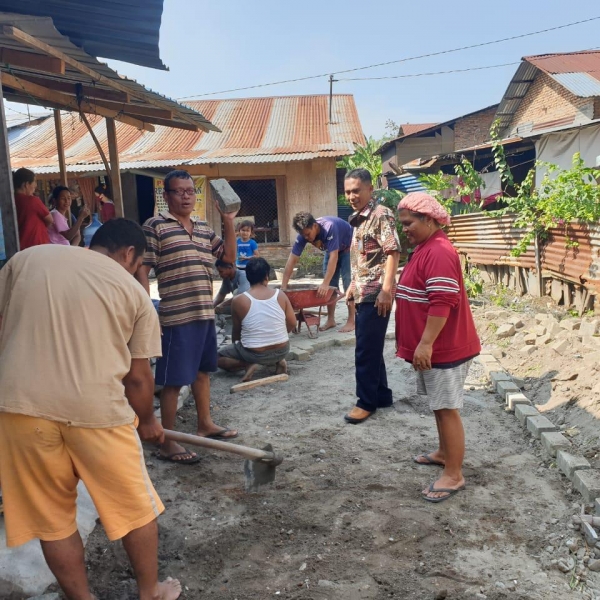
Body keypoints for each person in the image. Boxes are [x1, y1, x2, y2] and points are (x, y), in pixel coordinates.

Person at [0, 219, 182, 600]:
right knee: (133, 506)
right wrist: (149, 422)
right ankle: (151, 592)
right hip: (97, 412)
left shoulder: (26, 260)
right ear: (129, 254)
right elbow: (137, 379)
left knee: (52, 519)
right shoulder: (133, 294)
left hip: (20, 409)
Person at [136, 169, 239, 465]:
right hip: (176, 316)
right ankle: (167, 442)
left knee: (202, 372)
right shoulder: (155, 225)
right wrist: (146, 310)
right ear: (166, 196)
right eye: (178, 191)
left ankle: (204, 424)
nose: (185, 196)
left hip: (204, 312)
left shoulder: (204, 228)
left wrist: (229, 223)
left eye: (189, 191)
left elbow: (228, 260)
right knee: (173, 380)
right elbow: (143, 267)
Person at [395, 192, 481, 503]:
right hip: (435, 347)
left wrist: (426, 343)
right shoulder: (425, 247)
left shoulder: (440, 252)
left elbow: (443, 301)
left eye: (409, 223)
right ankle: (445, 453)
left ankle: (454, 474)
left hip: (444, 348)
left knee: (447, 410)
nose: (405, 229)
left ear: (428, 220)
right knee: (438, 405)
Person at [343, 168, 401, 424]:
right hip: (363, 291)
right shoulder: (358, 219)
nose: (351, 196)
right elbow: (362, 259)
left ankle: (365, 402)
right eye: (347, 192)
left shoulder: (380, 215)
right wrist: (352, 286)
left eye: (356, 190)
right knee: (372, 346)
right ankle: (381, 395)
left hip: (376, 293)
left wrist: (387, 290)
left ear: (369, 190)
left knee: (365, 350)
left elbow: (392, 252)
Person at [218, 257, 296, 382]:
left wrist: (237, 347)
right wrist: (276, 335)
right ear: (267, 276)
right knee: (272, 349)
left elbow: (237, 331)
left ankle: (248, 364)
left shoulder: (239, 300)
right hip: (282, 350)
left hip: (254, 354)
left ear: (248, 277)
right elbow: (292, 323)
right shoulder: (280, 295)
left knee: (217, 357)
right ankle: (277, 361)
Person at [281, 212, 355, 333]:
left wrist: (325, 283)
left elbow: (334, 257)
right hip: (332, 250)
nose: (306, 238)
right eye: (303, 235)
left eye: (308, 234)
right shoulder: (303, 235)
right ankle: (331, 320)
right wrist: (283, 287)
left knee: (348, 283)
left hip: (348, 247)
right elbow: (292, 259)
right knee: (331, 285)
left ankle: (352, 320)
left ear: (315, 226)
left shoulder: (329, 227)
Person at [13, 167, 52, 249]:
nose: (35, 185)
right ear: (26, 185)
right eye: (34, 182)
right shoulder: (33, 200)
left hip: (19, 247)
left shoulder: (11, 201)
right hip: (37, 245)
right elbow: (50, 220)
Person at [236, 220, 259, 291]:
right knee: (239, 286)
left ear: (251, 232)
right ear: (239, 231)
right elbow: (233, 252)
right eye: (243, 230)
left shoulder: (252, 243)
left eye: (247, 231)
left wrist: (247, 258)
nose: (245, 232)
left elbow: (257, 255)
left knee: (248, 285)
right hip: (238, 267)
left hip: (249, 268)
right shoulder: (237, 242)